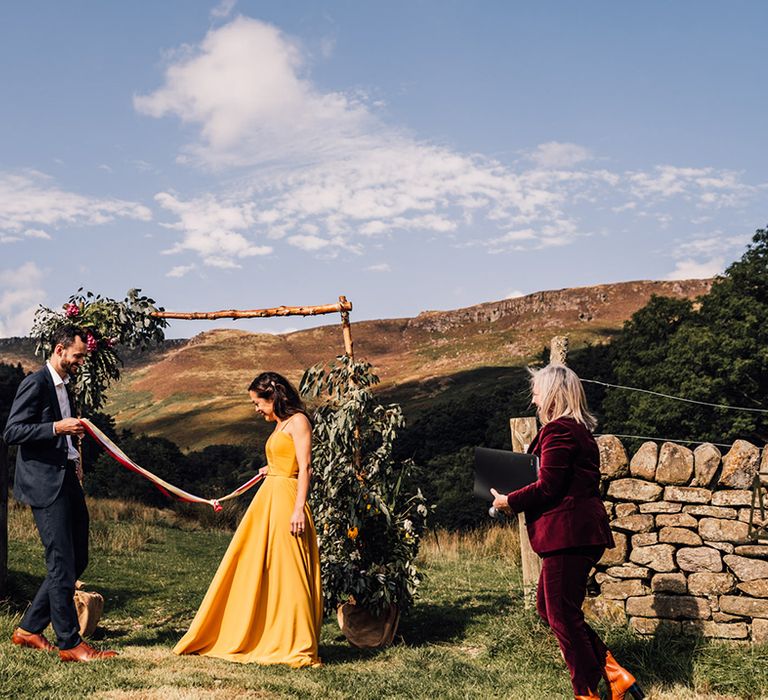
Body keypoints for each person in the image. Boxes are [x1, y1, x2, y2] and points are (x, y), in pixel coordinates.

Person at [492, 364, 643, 700]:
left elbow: (548, 487)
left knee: (561, 613)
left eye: (536, 390)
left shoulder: (559, 430)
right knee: (551, 611)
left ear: (553, 394)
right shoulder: (575, 430)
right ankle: (613, 673)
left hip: (569, 534)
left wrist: (508, 500)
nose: (533, 397)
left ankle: (586, 692)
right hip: (575, 534)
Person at [174, 371, 322, 667]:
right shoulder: (280, 424)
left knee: (288, 571)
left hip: (286, 501)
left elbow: (305, 468)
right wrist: (272, 469)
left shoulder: (299, 422)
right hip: (269, 498)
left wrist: (298, 508)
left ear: (274, 396)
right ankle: (263, 631)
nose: (256, 409)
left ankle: (295, 641)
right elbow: (285, 459)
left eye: (258, 402)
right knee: (260, 567)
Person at [4, 323, 117, 661]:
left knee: (77, 558)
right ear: (59, 349)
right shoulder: (35, 383)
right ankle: (69, 643)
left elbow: (66, 431)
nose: (80, 362)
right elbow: (12, 431)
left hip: (67, 477)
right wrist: (56, 428)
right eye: (78, 357)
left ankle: (28, 629)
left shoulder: (67, 386)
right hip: (45, 484)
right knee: (60, 562)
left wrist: (73, 453)